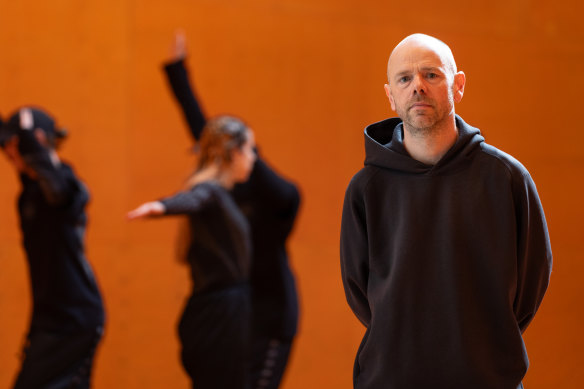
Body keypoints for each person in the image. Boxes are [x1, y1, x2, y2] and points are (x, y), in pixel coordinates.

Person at [340, 34, 552, 389]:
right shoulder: (366, 188)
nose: (417, 87)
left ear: (458, 85)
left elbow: (532, 282)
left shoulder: (507, 178)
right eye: (404, 79)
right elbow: (359, 292)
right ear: (391, 95)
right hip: (390, 379)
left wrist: (484, 347)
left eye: (431, 75)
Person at [162, 32, 301, 389]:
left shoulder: (274, 202)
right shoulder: (224, 186)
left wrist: (247, 149)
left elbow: (287, 193)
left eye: (248, 153)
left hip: (271, 317)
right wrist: (178, 73)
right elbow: (206, 133)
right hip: (235, 315)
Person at [128, 115, 257, 388]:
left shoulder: (222, 195)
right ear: (235, 153)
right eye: (249, 150)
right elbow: (194, 198)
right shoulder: (211, 191)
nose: (253, 158)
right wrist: (162, 206)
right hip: (218, 316)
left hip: (222, 312)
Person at [0, 107, 105, 389]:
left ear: (37, 140)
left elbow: (59, 192)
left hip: (76, 319)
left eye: (16, 144)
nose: (10, 152)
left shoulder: (67, 184)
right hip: (51, 319)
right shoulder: (28, 195)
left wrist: (30, 142)